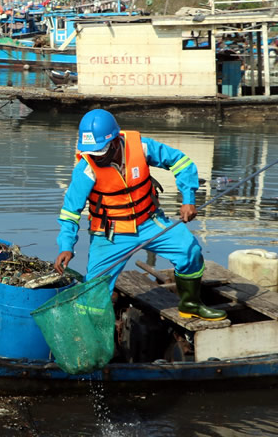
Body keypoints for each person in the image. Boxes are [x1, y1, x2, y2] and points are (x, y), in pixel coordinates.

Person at [53, 109, 226, 321]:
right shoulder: (85, 169)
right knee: (94, 290)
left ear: (114, 142)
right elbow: (70, 212)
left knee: (190, 251)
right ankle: (92, 330)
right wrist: (66, 246)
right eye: (92, 152)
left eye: (100, 152)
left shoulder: (141, 147)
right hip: (110, 234)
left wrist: (188, 199)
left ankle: (191, 305)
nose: (96, 157)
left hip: (150, 222)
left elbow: (181, 162)